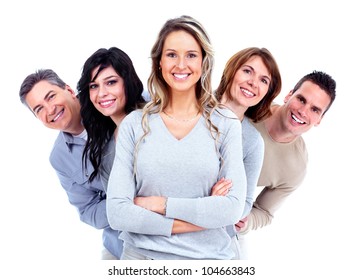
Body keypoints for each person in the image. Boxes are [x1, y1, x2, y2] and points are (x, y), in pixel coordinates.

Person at [106, 15, 247, 260]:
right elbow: (118, 213)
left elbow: (232, 208)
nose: (181, 64)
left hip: (210, 260)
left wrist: (160, 204)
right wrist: (201, 216)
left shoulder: (226, 123)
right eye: (172, 54)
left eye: (191, 55)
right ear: (159, 62)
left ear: (204, 62)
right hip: (141, 258)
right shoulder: (134, 124)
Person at [19, 69, 122, 260]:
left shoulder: (104, 99)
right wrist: (129, 204)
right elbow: (88, 210)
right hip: (119, 244)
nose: (50, 110)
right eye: (39, 109)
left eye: (50, 97)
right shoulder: (59, 158)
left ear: (69, 90)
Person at [237, 70, 336, 255]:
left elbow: (264, 212)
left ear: (320, 120)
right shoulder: (253, 105)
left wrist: (245, 222)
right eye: (301, 99)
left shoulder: (297, 166)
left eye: (315, 110)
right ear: (289, 95)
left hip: (228, 216)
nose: (303, 111)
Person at [214, 47, 282, 257]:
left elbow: (242, 206)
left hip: (216, 240)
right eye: (247, 71)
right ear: (231, 71)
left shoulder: (252, 141)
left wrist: (219, 203)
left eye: (264, 80)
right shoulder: (192, 108)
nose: (253, 82)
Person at [77, 47, 145, 191]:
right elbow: (117, 208)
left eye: (111, 82)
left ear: (127, 82)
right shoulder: (106, 153)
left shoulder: (156, 120)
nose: (101, 93)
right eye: (94, 86)